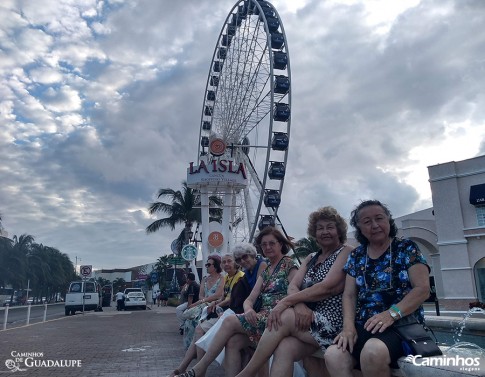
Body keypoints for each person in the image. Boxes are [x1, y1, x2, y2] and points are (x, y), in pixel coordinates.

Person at [235, 207, 353, 377]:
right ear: (314, 232)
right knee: (284, 348)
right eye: (320, 228)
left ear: (339, 231)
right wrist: (299, 305)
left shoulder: (346, 251)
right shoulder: (311, 257)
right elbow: (292, 287)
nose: (325, 232)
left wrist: (285, 303)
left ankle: (246, 373)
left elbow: (326, 286)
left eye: (330, 227)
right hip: (308, 321)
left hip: (334, 323)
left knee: (284, 315)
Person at [324, 200, 431, 377]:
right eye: (366, 221)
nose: (374, 225)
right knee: (333, 355)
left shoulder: (406, 248)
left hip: (402, 325)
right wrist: (348, 327)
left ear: (388, 220)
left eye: (379, 218)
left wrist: (391, 314)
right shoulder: (357, 255)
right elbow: (349, 295)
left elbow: (422, 289)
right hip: (365, 326)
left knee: (372, 352)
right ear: (359, 227)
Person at [175, 226, 298, 377]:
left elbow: (295, 293)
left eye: (271, 243)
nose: (267, 247)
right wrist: (249, 309)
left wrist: (281, 308)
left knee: (228, 321)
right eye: (264, 245)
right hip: (260, 316)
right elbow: (250, 298)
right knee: (233, 342)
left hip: (278, 317)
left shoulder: (288, 264)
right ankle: (203, 369)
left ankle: (199, 369)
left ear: (280, 244)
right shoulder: (267, 270)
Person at [169, 251, 247, 377]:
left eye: (229, 261)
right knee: (197, 330)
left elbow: (231, 299)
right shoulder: (227, 277)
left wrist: (215, 304)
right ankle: (185, 368)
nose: (226, 264)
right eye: (224, 262)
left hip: (231, 313)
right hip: (221, 311)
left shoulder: (239, 277)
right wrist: (214, 303)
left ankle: (197, 370)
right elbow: (222, 297)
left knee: (199, 329)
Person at [183, 255, 224, 349]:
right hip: (203, 304)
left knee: (197, 320)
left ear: (216, 266)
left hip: (214, 305)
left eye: (208, 264)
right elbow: (200, 295)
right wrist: (202, 301)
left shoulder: (222, 278)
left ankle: (198, 347)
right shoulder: (204, 279)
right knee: (188, 321)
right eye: (206, 264)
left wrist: (202, 301)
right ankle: (191, 348)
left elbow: (218, 295)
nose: (206, 266)